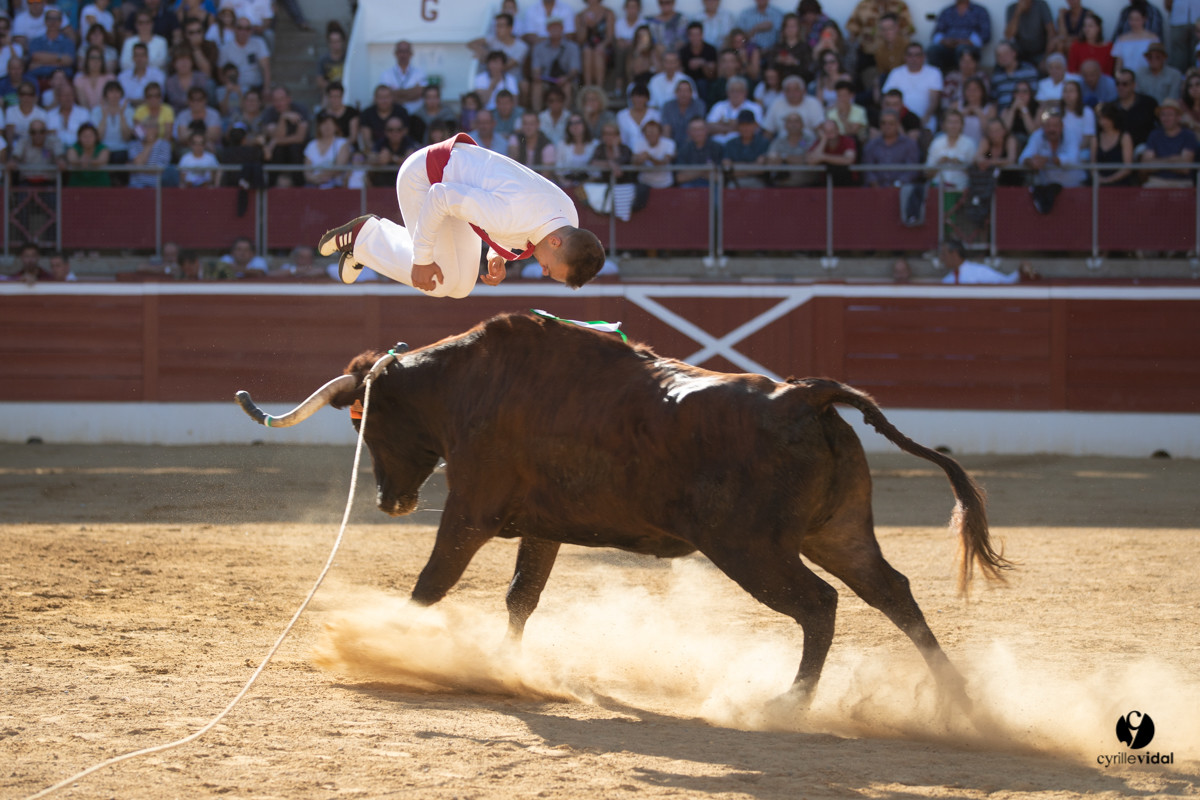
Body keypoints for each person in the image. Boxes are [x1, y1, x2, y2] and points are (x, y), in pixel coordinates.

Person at [318, 133, 605, 296]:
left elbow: (512, 209)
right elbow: (440, 196)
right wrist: (421, 260)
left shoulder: (569, 219)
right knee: (438, 282)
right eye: (549, 269)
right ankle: (364, 239)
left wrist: (498, 252)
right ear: (555, 242)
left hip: (458, 186)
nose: (542, 271)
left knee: (461, 287)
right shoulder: (509, 216)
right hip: (425, 177)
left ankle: (369, 245)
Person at [881, 43, 943, 129]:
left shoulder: (934, 73)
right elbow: (887, 99)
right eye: (910, 55)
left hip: (925, 119)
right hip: (899, 120)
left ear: (924, 57)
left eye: (917, 55)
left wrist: (925, 118)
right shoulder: (896, 73)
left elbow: (934, 100)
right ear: (905, 57)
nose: (914, 59)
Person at [1019, 108, 1086, 186]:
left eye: (1055, 125)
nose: (1051, 129)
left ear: (1062, 126)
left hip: (1074, 186)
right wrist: (1031, 162)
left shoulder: (1071, 135)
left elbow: (1072, 159)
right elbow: (1024, 157)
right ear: (1043, 126)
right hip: (1048, 188)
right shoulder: (1037, 135)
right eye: (1048, 125)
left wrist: (1047, 160)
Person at [1141, 97, 1198, 184]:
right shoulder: (1154, 135)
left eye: (1170, 115)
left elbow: (1185, 168)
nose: (1166, 118)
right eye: (1163, 115)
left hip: (1181, 182)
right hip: (1157, 181)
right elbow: (1145, 166)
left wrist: (1157, 162)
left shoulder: (1188, 135)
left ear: (1178, 117)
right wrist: (1173, 160)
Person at [262, 84, 309, 186]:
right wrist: (283, 118)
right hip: (278, 153)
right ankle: (272, 186)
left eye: (281, 99)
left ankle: (299, 186)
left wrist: (275, 141)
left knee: (295, 148)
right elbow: (277, 135)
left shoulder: (300, 109)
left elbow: (300, 138)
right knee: (277, 150)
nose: (278, 103)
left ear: (289, 99)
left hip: (297, 151)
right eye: (275, 100)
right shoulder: (269, 112)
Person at [530, 17, 581, 111]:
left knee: (567, 86)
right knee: (537, 85)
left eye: (557, 27)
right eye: (552, 27)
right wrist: (537, 75)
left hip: (566, 80)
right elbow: (536, 69)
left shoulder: (572, 47)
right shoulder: (539, 48)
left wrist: (566, 78)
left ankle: (565, 115)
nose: (555, 30)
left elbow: (574, 70)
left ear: (562, 28)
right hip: (546, 80)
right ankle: (536, 114)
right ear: (547, 29)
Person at [928, 0, 993, 72]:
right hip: (948, 47)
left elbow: (986, 35)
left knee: (961, 49)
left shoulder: (980, 11)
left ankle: (960, 77)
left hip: (969, 47)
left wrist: (966, 42)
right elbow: (936, 34)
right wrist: (944, 41)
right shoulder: (947, 11)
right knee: (933, 50)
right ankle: (938, 76)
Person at [862, 107, 921, 186]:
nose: (887, 126)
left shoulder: (909, 144)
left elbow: (912, 170)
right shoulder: (871, 145)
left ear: (898, 124)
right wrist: (876, 186)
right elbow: (867, 170)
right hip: (874, 190)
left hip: (902, 190)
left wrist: (897, 185)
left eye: (891, 123)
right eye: (883, 123)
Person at [940, 238, 1035, 282]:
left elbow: (1006, 281)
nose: (941, 258)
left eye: (944, 254)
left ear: (954, 253)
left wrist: (1019, 272)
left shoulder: (979, 271)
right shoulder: (948, 280)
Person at [218, 15, 270, 93]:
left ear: (251, 30)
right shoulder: (225, 48)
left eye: (247, 28)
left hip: (255, 88)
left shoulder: (259, 43)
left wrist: (266, 89)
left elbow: (265, 68)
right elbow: (220, 72)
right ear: (234, 29)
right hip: (235, 89)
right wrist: (229, 87)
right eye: (240, 28)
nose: (243, 31)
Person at [765, 112, 819, 185]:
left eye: (796, 121)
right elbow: (771, 160)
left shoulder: (809, 140)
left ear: (802, 125)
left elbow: (809, 159)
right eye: (790, 122)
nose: (793, 124)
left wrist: (784, 157)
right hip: (781, 185)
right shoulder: (778, 142)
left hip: (807, 184)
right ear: (785, 125)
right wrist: (795, 159)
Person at [706, 75, 762, 144]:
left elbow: (756, 128)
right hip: (718, 146)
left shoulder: (754, 107)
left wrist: (723, 123)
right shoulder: (719, 106)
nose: (735, 94)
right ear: (727, 92)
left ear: (745, 92)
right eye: (732, 91)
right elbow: (709, 127)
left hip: (741, 146)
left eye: (739, 91)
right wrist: (736, 126)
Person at [721, 107, 769, 185]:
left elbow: (760, 169)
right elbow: (727, 168)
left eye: (748, 125)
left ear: (755, 125)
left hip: (757, 181)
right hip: (735, 181)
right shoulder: (730, 144)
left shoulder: (763, 142)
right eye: (742, 125)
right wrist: (751, 167)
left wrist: (737, 167)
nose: (745, 128)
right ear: (737, 126)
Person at [28, 7, 77, 83]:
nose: (53, 22)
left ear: (61, 22)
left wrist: (41, 63)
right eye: (50, 19)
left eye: (56, 19)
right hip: (38, 80)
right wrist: (60, 58)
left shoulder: (68, 42)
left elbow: (68, 60)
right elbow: (35, 56)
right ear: (45, 21)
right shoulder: (36, 41)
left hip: (62, 82)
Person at [304, 111, 351, 188]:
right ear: (318, 126)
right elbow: (307, 171)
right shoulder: (311, 145)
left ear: (336, 126)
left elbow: (340, 167)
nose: (327, 126)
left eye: (330, 123)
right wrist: (314, 179)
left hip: (335, 186)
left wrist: (322, 176)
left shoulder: (342, 143)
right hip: (314, 185)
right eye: (323, 123)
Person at [1114, 67, 1160, 145]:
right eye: (1117, 84)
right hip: (1120, 148)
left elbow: (1160, 126)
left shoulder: (1149, 103)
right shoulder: (1112, 107)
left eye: (1125, 84)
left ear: (1133, 85)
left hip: (1145, 147)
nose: (1120, 87)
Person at [1094, 101, 1135, 184]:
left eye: (1106, 118)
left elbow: (1127, 168)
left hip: (1121, 184)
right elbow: (1092, 165)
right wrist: (1099, 180)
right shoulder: (1095, 138)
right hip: (1098, 184)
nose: (1103, 122)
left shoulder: (1125, 137)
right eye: (1100, 118)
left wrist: (1108, 180)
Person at [991, 39, 1040, 110]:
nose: (1002, 57)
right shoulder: (996, 76)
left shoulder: (1029, 70)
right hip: (1003, 113)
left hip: (1025, 111)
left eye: (1005, 53)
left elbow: (1034, 94)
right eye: (999, 55)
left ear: (1014, 53)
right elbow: (994, 99)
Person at [674, 116, 723, 186]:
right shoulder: (683, 149)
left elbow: (720, 177)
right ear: (688, 132)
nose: (698, 133)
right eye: (694, 130)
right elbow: (679, 178)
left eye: (701, 129)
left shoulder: (717, 148)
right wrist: (704, 170)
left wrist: (692, 172)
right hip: (690, 186)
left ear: (706, 130)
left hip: (711, 186)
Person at [1004, 0, 1055, 66]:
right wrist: (1017, 13)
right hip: (1020, 54)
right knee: (1002, 48)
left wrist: (1046, 58)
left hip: (1041, 52)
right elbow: (1008, 36)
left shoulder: (1041, 5)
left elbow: (1051, 32)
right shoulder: (1011, 8)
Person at [806, 118, 857, 185]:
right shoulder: (819, 142)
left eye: (832, 130)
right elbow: (811, 161)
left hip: (849, 182)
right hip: (825, 183)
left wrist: (823, 157)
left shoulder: (848, 141)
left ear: (838, 130)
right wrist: (823, 140)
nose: (830, 134)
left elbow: (848, 159)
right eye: (826, 131)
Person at [661, 77, 706, 149]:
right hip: (672, 142)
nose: (683, 94)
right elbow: (666, 129)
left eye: (686, 91)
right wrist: (669, 147)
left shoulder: (699, 105)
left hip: (693, 144)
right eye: (680, 91)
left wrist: (684, 149)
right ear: (676, 92)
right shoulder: (668, 106)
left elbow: (697, 127)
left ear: (691, 93)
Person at [120, 9, 169, 73]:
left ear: (152, 23)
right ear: (136, 25)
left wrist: (138, 63)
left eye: (147, 22)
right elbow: (124, 64)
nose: (144, 26)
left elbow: (161, 63)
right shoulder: (128, 42)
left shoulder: (161, 42)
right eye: (141, 23)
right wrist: (145, 64)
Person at [1113, 8, 1161, 72]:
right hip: (1127, 75)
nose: (1134, 23)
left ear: (1144, 19)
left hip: (1147, 75)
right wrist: (1118, 74)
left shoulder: (1153, 38)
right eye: (1131, 19)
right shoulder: (1121, 39)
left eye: (1137, 19)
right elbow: (1119, 62)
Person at [555, 112, 597, 185]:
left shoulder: (595, 144)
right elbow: (558, 170)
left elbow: (597, 172)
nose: (575, 126)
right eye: (571, 123)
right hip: (567, 184)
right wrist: (566, 184)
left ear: (585, 125)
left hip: (589, 184)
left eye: (578, 122)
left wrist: (585, 184)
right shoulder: (562, 145)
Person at [633, 117, 675, 186]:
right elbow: (634, 162)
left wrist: (649, 158)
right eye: (648, 132)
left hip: (665, 183)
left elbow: (664, 162)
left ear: (660, 133)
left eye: (654, 132)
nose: (651, 135)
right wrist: (639, 159)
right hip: (644, 183)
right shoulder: (638, 143)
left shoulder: (669, 143)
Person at [316, 22, 347, 93]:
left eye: (338, 41)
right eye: (333, 42)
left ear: (342, 42)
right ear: (329, 43)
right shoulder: (323, 60)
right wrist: (333, 88)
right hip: (330, 93)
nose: (336, 44)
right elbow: (319, 80)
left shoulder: (348, 58)